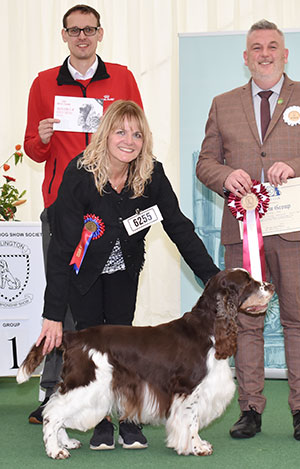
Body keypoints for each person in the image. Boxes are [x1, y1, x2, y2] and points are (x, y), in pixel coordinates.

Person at [36, 99, 220, 450]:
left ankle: (129, 418)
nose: (128, 140)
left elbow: (179, 228)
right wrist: (52, 314)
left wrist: (212, 278)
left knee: (125, 346)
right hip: (82, 271)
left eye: (137, 134)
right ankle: (102, 422)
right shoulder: (79, 174)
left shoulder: (151, 174)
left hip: (124, 268)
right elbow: (61, 250)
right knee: (93, 348)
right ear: (106, 134)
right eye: (120, 132)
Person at [24, 4, 142, 426]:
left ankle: (117, 397)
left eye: (89, 29)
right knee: (64, 300)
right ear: (63, 35)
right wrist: (40, 139)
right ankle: (55, 392)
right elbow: (34, 150)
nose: (81, 36)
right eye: (74, 30)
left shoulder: (123, 78)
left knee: (112, 307)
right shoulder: (42, 83)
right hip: (63, 209)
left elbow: (138, 137)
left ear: (100, 33)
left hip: (112, 208)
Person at [196, 19, 300, 441]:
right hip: (243, 233)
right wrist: (227, 177)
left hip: (293, 232)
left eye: (272, 46)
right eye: (256, 47)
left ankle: (299, 409)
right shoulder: (222, 103)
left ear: (285, 54)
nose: (264, 53)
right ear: (245, 58)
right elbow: (205, 163)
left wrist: (294, 168)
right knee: (247, 322)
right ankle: (251, 409)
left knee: (297, 321)